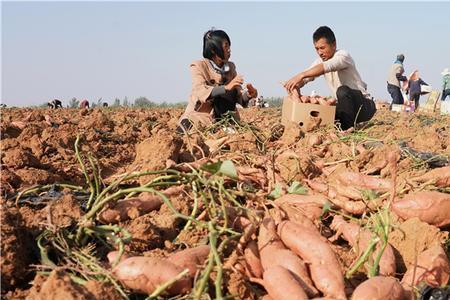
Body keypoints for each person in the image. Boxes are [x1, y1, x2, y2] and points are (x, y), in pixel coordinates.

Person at [284, 26, 376, 130]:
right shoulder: (320, 61)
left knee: (342, 91)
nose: (320, 52)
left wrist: (301, 75)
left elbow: (326, 67)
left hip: (363, 106)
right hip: (346, 108)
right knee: (323, 113)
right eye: (317, 49)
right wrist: (294, 87)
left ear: (333, 45)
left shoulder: (343, 56)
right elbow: (305, 79)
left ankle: (347, 129)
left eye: (322, 48)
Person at [177, 29, 258, 133]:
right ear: (213, 50)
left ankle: (226, 127)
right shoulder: (198, 66)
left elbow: (238, 96)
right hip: (201, 114)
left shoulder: (230, 67)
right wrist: (225, 88)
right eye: (226, 46)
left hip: (225, 119)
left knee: (230, 91)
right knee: (184, 131)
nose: (229, 50)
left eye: (229, 46)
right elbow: (200, 90)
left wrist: (250, 95)